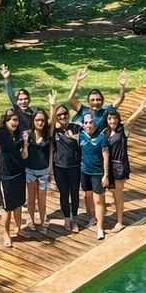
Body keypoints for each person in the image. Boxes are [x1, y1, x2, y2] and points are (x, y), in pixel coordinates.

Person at [104, 97, 146, 232]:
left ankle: (120, 222)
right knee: (113, 194)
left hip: (119, 168)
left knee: (118, 195)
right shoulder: (106, 133)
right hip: (110, 168)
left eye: (115, 119)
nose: (112, 121)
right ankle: (117, 218)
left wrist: (141, 108)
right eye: (110, 119)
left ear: (118, 120)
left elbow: (131, 119)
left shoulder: (122, 131)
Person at [0, 90, 28, 247]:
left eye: (17, 120)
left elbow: (24, 156)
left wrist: (25, 144)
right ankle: (6, 234)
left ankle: (18, 228)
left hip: (20, 173)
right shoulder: (2, 134)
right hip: (7, 176)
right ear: (5, 121)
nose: (15, 122)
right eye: (12, 120)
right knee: (8, 207)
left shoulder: (19, 135)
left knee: (19, 204)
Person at [47, 92, 82, 232]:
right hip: (60, 167)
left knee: (74, 193)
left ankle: (74, 219)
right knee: (63, 194)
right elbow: (50, 123)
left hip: (74, 166)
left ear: (68, 114)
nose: (62, 117)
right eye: (59, 115)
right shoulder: (54, 131)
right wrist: (52, 106)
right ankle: (66, 219)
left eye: (64, 114)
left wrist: (76, 138)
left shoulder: (76, 127)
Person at [77, 110, 111, 241]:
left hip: (98, 173)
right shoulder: (81, 136)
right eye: (86, 123)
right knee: (87, 195)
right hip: (84, 172)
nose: (89, 125)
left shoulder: (102, 139)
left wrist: (106, 175)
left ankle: (100, 227)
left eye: (91, 122)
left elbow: (106, 156)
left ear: (95, 124)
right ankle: (91, 217)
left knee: (99, 200)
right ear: (83, 125)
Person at [65, 68, 128, 135]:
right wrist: (77, 81)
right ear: (88, 102)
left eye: (98, 100)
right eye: (92, 100)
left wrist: (122, 86)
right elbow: (71, 98)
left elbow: (120, 98)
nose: (95, 102)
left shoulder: (106, 111)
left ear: (102, 101)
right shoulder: (83, 110)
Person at [23, 105, 53, 234]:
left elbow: (54, 121)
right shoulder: (27, 135)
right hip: (29, 170)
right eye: (37, 120)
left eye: (43, 120)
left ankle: (42, 221)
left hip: (43, 172)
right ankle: (30, 220)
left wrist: (52, 106)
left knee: (42, 199)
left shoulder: (48, 134)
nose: (40, 122)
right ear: (33, 121)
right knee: (31, 198)